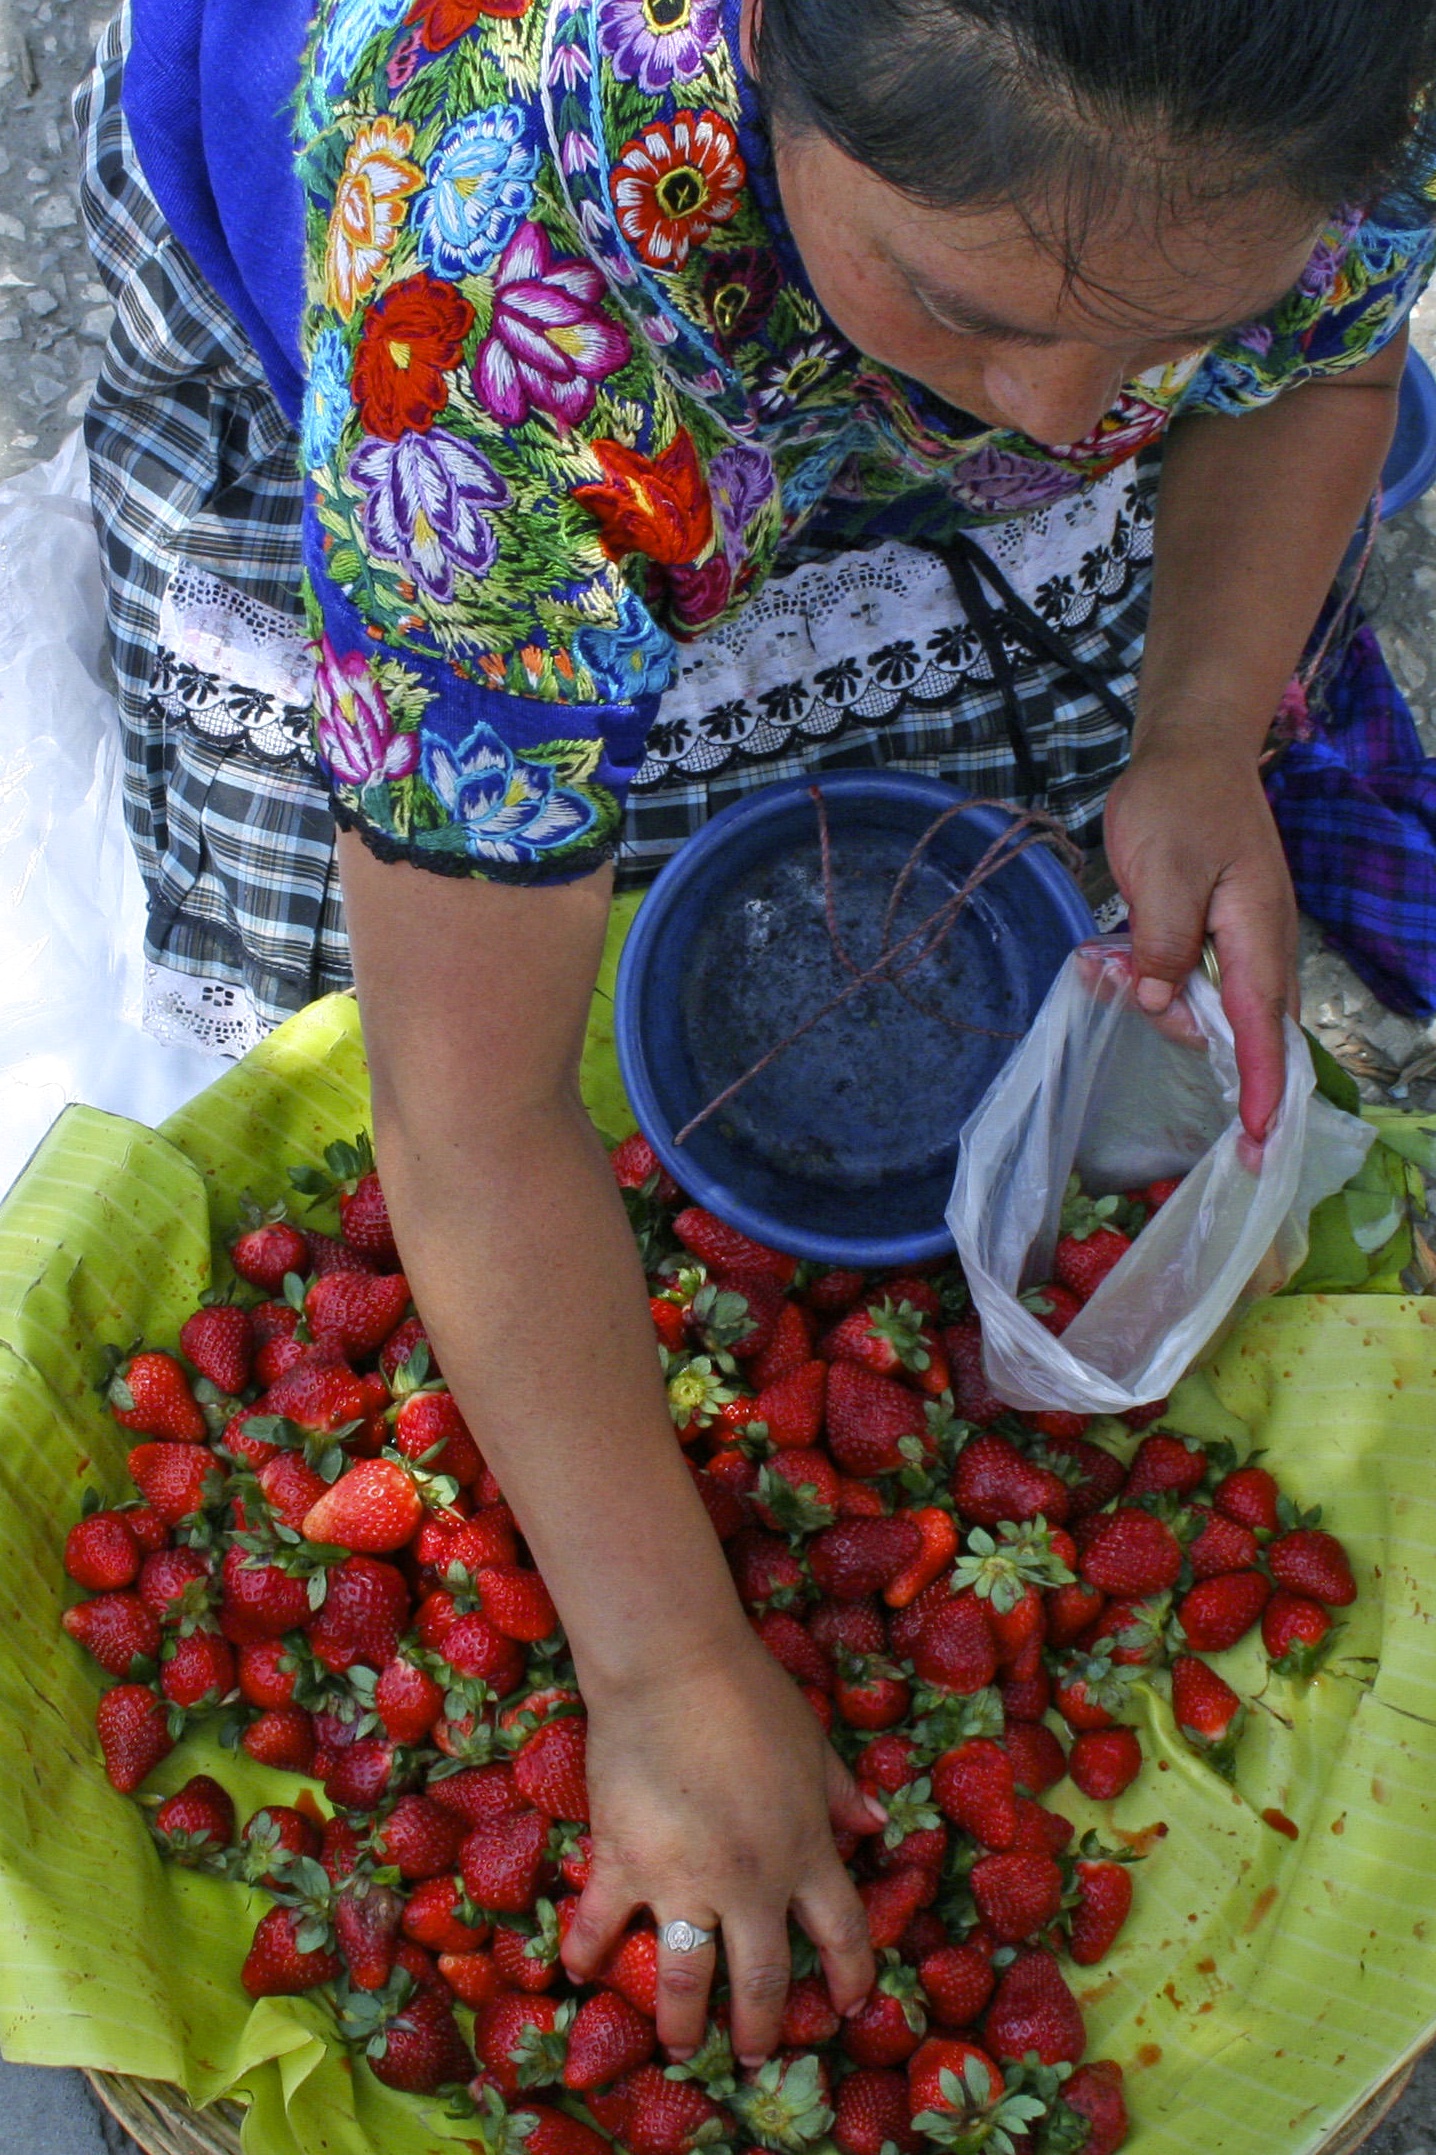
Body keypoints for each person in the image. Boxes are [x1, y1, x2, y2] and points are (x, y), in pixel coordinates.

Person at [77, 0, 1436, 2069]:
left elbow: (1321, 351)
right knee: (350, 956)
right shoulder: (484, 309)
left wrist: (1193, 733)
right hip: (447, 319)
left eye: (1165, 339)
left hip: (759, 323)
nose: (1068, 424)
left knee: (1018, 742)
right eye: (967, 301)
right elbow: (468, 1111)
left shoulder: (1326, 88)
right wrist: (658, 1667)